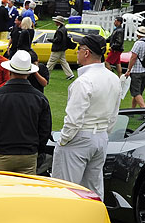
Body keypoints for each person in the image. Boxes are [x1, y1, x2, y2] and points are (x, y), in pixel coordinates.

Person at [51, 34, 119, 199]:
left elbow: (73, 119)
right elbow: (114, 114)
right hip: (101, 137)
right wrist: (103, 133)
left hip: (80, 136)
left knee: (66, 190)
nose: (77, 52)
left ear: (87, 53)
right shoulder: (113, 78)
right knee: (93, 190)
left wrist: (63, 140)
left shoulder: (84, 82)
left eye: (79, 49)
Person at [0, 49, 52, 175]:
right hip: (28, 155)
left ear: (10, 70)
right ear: (29, 73)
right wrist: (37, 150)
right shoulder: (39, 98)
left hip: (0, 154)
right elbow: (45, 130)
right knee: (23, 193)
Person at [47, 15, 77, 80]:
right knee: (63, 62)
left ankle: (46, 74)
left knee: (51, 62)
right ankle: (70, 74)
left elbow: (58, 40)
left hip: (57, 49)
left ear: (59, 22)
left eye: (56, 21)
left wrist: (50, 40)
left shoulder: (59, 31)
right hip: (62, 48)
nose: (55, 22)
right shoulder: (64, 29)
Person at [126, 25, 145, 108]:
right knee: (139, 93)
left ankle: (144, 110)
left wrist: (128, 70)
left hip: (137, 71)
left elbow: (133, 57)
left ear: (139, 35)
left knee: (135, 92)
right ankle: (133, 110)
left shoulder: (138, 43)